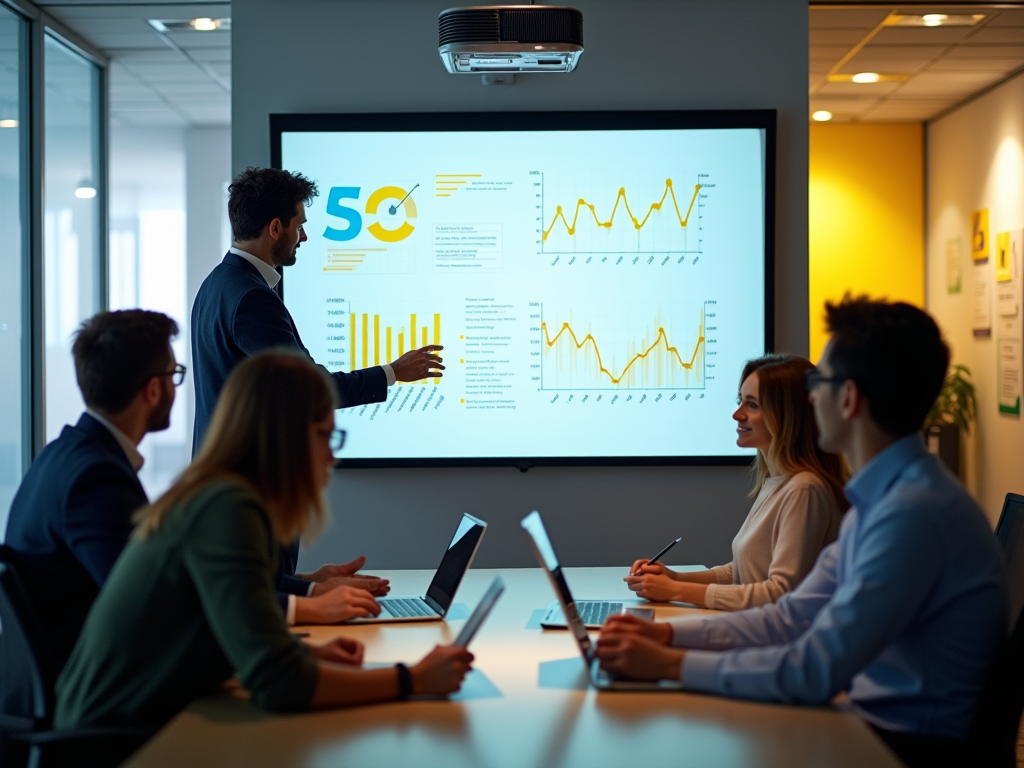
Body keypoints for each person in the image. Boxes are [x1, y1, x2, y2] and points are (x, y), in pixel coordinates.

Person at [596, 297, 1008, 766]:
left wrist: (670, 666)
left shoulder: (911, 515)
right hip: (870, 724)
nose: (809, 399)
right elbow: (789, 616)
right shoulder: (883, 502)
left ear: (849, 398)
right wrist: (668, 640)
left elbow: (814, 669)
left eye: (818, 383)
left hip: (903, 747)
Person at [54, 350, 473, 730]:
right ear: (284, 436)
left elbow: (233, 629)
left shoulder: (218, 496)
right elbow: (280, 686)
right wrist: (412, 678)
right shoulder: (228, 509)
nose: (332, 456)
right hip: (114, 743)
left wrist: (301, 654)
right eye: (326, 437)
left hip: (143, 719)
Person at [191, 166, 424, 615]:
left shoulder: (218, 285)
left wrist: (307, 586)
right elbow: (306, 390)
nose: (304, 237)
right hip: (255, 482)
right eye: (299, 225)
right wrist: (391, 373)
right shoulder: (251, 296)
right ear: (275, 227)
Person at [4, 310, 180, 673]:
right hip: (93, 695)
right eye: (174, 375)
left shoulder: (64, 454)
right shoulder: (95, 478)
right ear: (152, 389)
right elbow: (150, 605)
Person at [626, 354, 848, 610]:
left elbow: (780, 593)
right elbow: (743, 571)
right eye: (740, 401)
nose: (736, 414)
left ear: (788, 415)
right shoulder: (778, 482)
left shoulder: (804, 489)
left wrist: (677, 590)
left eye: (752, 405)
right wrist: (674, 578)